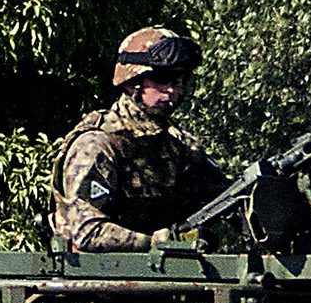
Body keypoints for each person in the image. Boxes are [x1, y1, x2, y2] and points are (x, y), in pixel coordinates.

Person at [50, 26, 229, 251]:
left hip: (160, 279)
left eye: (179, 80)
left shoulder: (177, 146)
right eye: (163, 79)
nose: (172, 90)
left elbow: (225, 197)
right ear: (132, 81)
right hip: (94, 280)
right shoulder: (98, 146)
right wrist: (159, 243)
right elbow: (86, 232)